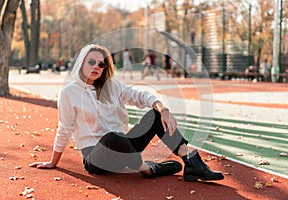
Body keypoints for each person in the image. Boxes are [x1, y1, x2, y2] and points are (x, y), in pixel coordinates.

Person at [29, 44, 224, 182]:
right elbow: (65, 128)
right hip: (96, 157)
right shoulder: (69, 93)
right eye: (91, 62)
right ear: (81, 63)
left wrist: (163, 108)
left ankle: (191, 162)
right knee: (113, 136)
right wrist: (53, 162)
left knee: (155, 116)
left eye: (101, 64)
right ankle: (148, 169)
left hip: (124, 147)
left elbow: (139, 95)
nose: (97, 67)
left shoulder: (112, 86)